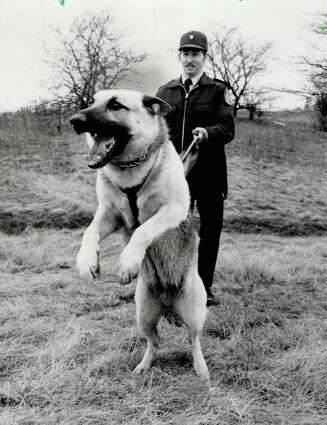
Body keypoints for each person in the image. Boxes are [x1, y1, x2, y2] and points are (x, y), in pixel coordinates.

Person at [156, 30, 235, 306]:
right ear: (179, 56)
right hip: (178, 178)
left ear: (204, 56)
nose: (190, 59)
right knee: (175, 230)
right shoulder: (164, 92)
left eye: (196, 54)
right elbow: (157, 133)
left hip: (211, 175)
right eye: (185, 53)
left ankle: (204, 288)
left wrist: (208, 132)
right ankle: (171, 285)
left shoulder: (218, 91)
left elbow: (228, 129)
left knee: (210, 231)